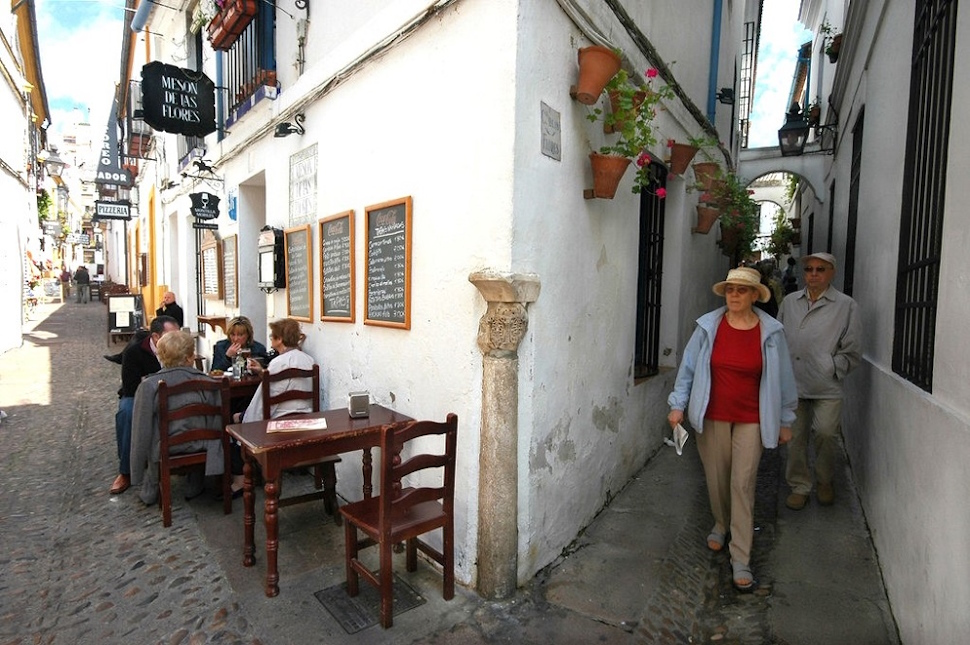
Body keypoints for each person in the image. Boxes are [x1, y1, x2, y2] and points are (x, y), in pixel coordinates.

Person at [667, 267, 797, 592]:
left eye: (742, 290)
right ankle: (721, 522)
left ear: (755, 295)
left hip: (753, 417)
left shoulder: (771, 333)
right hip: (713, 415)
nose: (734, 296)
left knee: (742, 482)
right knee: (716, 477)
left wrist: (785, 419)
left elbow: (784, 379)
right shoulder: (708, 327)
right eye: (730, 290)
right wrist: (677, 404)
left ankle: (741, 555)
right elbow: (688, 369)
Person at [777, 252, 862, 510]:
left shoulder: (846, 306)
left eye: (820, 270)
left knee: (826, 433)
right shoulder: (790, 302)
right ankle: (799, 486)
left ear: (831, 273)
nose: (814, 274)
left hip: (826, 385)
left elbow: (853, 348)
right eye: (810, 269)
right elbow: (778, 337)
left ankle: (825, 480)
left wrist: (832, 367)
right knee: (795, 439)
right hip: (793, 383)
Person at [129, 331, 226, 505]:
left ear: (161, 356)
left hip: (167, 447)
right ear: (190, 357)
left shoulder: (149, 386)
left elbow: (140, 433)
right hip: (202, 444)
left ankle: (150, 490)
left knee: (152, 431)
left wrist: (135, 474)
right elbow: (216, 423)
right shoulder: (210, 383)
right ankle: (195, 484)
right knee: (199, 425)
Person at [110, 315, 181, 495]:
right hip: (138, 396)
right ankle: (126, 471)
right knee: (126, 412)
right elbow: (131, 387)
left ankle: (188, 461)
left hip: (170, 393)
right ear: (156, 337)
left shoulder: (178, 349)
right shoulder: (134, 352)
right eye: (171, 335)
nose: (177, 340)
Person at [238, 318, 315, 423]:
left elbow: (262, 402)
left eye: (272, 336)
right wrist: (262, 372)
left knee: (237, 417)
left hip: (280, 420)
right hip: (307, 418)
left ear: (279, 339)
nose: (270, 338)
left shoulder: (278, 362)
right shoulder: (310, 360)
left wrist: (245, 419)